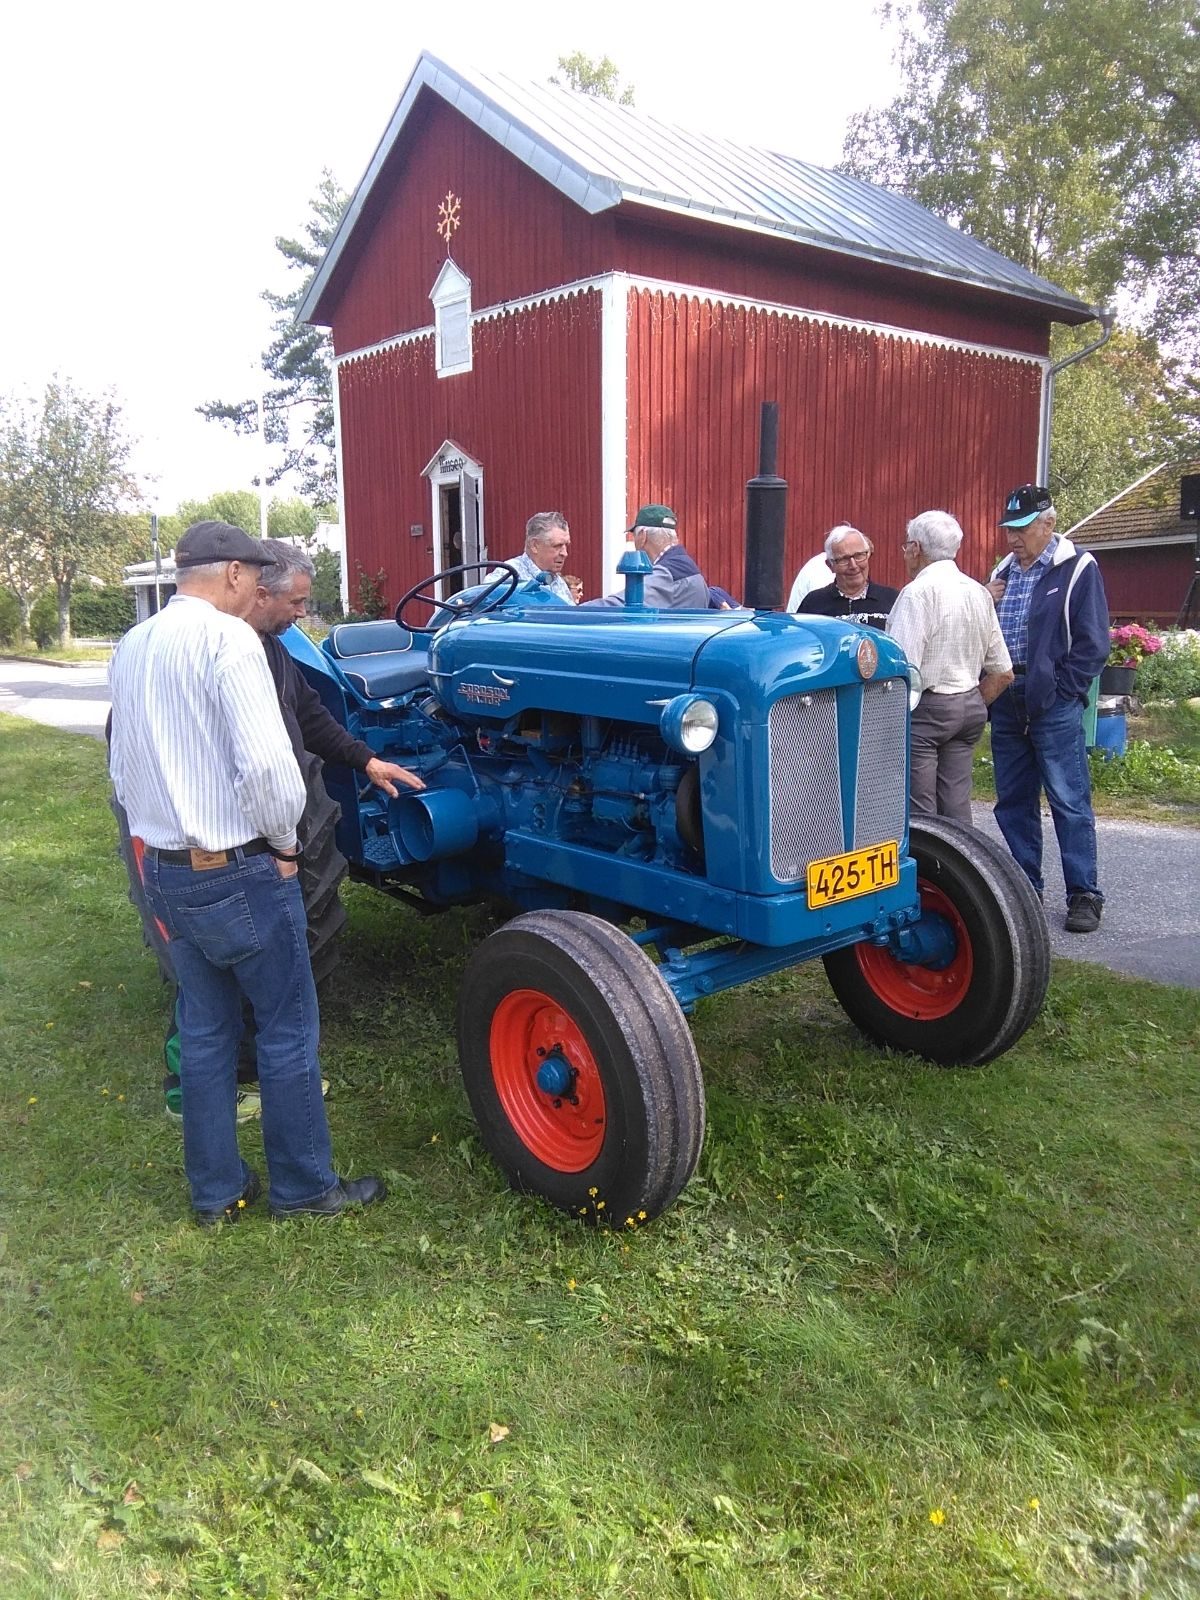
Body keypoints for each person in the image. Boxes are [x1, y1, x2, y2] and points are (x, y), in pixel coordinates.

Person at [108, 521, 387, 1224]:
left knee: (204, 1033)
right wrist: (288, 845)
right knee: (287, 1029)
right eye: (253, 576)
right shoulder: (230, 641)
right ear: (233, 573)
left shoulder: (134, 644)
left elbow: (124, 769)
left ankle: (217, 1191)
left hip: (168, 871)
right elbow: (269, 767)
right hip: (240, 869)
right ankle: (304, 1189)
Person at [149, 539, 426, 1119]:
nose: (304, 613)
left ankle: (217, 1144)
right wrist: (283, 848)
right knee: (227, 985)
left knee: (231, 983)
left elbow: (310, 716)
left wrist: (367, 761)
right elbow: (262, 764)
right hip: (219, 847)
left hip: (232, 849)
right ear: (256, 589)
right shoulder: (220, 652)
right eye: (296, 602)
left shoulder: (272, 651)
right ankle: (223, 1090)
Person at [986, 485, 1109, 933]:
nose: (1013, 538)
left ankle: (1084, 894)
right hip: (1006, 696)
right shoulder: (1002, 572)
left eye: (1021, 529)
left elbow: (1094, 643)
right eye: (1008, 529)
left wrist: (1064, 690)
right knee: (1013, 800)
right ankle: (1026, 890)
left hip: (1051, 700)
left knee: (1068, 799)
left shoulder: (1076, 568)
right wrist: (986, 599)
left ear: (1049, 523)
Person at [886, 511, 1013, 825]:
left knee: (920, 813)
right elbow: (1003, 672)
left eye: (906, 547)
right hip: (969, 704)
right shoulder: (978, 593)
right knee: (957, 810)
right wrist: (967, 703)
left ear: (916, 548)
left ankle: (923, 870)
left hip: (928, 710)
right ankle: (962, 867)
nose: (905, 554)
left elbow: (900, 670)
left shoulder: (918, 593)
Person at [593, 505, 711, 609]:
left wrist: (577, 612)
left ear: (643, 536)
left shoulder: (668, 574)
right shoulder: (686, 567)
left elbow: (623, 605)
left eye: (634, 536)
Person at [797, 525, 898, 627]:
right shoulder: (813, 604)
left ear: (868, 556)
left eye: (859, 556)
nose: (853, 566)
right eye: (844, 559)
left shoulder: (892, 600)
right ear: (830, 565)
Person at [500, 511, 575, 602]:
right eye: (557, 546)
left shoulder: (559, 583)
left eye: (566, 545)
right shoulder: (507, 575)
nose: (565, 553)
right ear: (534, 545)